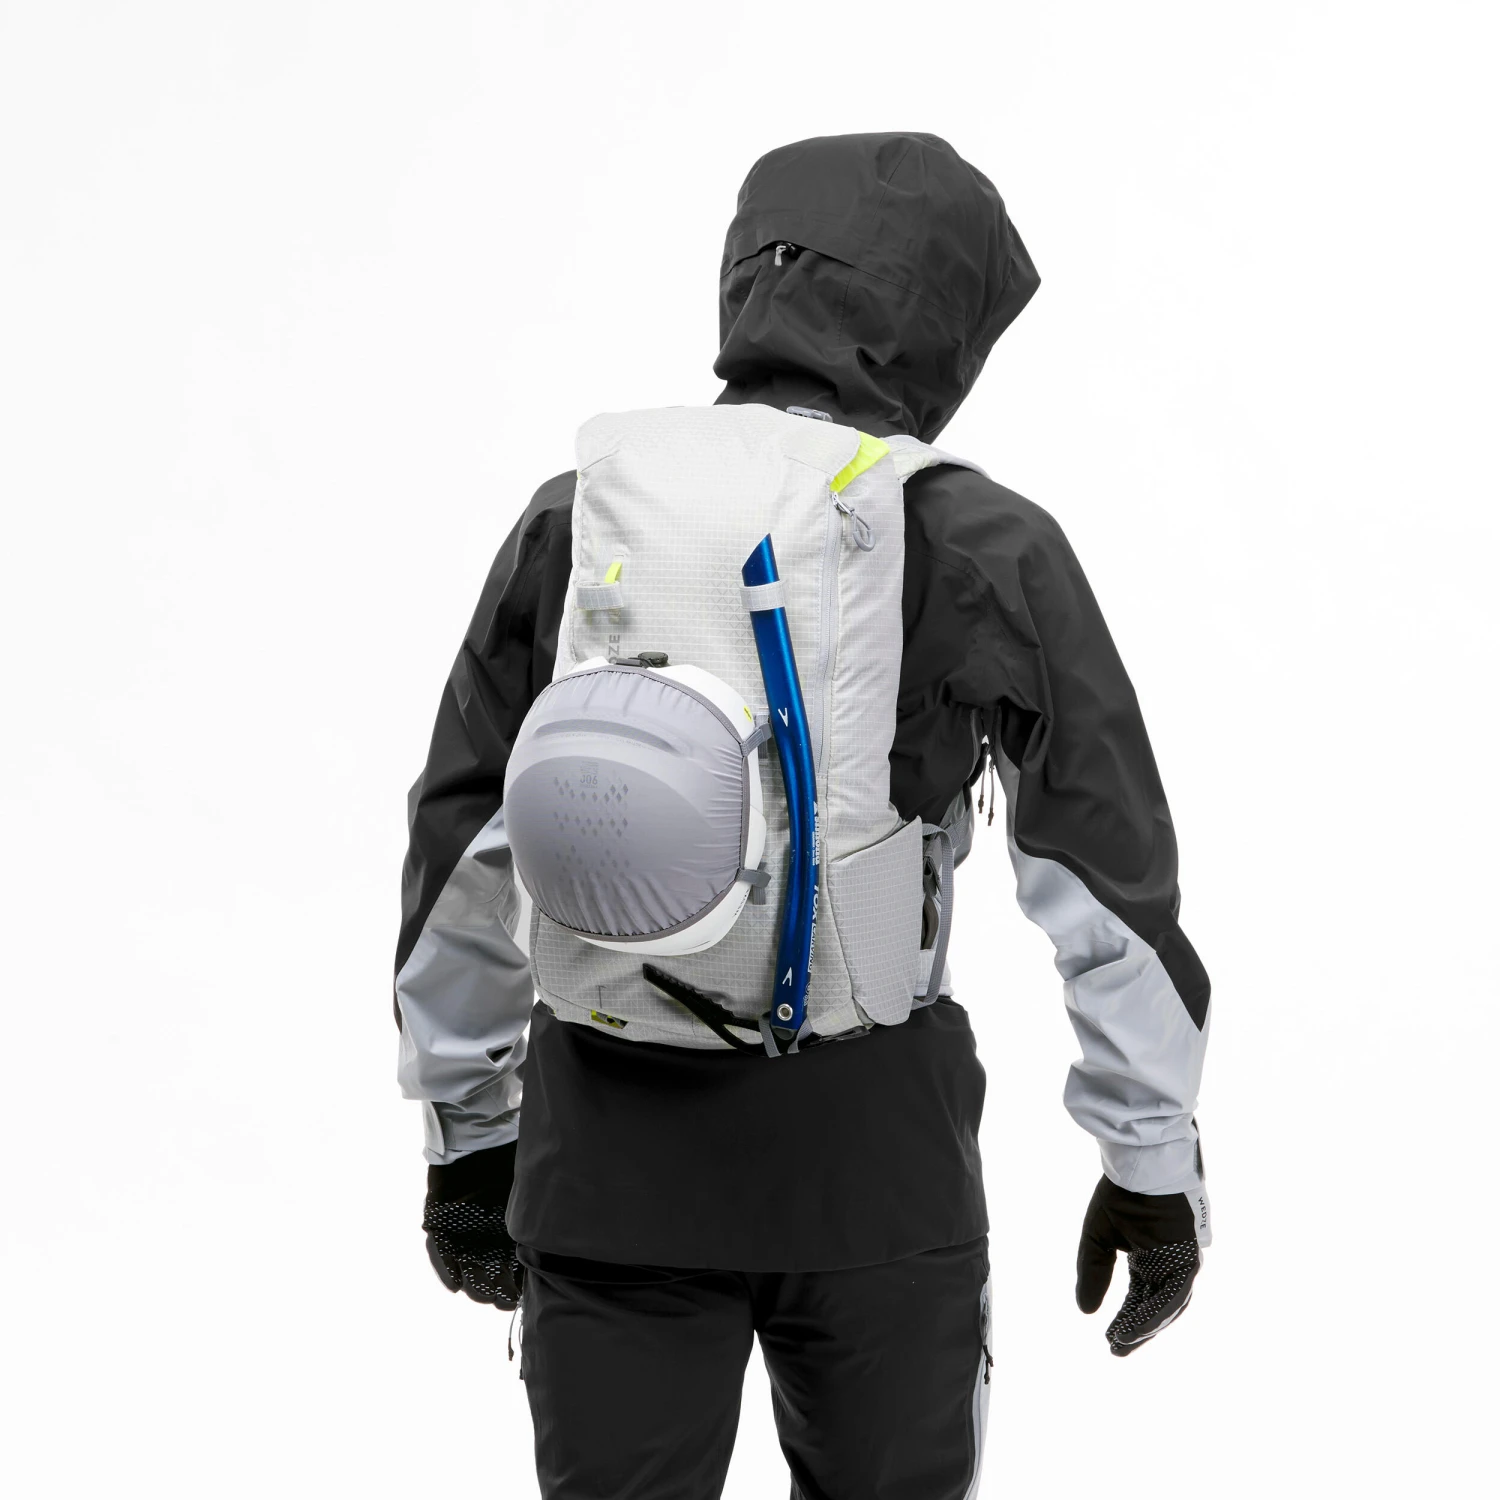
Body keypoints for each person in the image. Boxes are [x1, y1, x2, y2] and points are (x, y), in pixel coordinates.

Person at [394, 132, 1212, 1500]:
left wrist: (467, 1134)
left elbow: (467, 844)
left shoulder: (582, 514)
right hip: (876, 1170)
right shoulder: (977, 535)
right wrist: (1151, 1160)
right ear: (941, 316)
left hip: (605, 1167)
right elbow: (1104, 873)